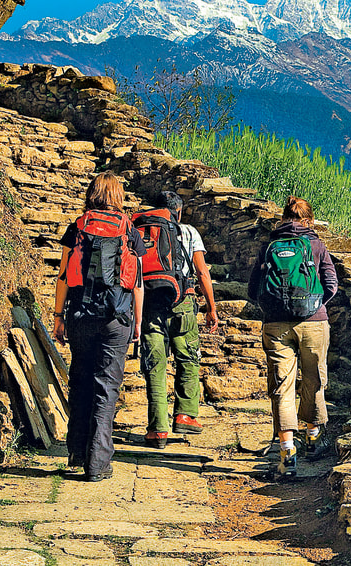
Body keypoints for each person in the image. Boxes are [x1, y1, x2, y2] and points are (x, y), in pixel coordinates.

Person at [53, 172, 145, 482]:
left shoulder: (78, 226)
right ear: (118, 196)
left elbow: (63, 276)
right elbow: (137, 284)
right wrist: (137, 322)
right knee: (107, 388)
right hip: (116, 318)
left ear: (92, 194)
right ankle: (98, 463)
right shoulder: (129, 230)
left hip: (81, 314)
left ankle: (77, 455)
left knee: (80, 382)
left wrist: (58, 316)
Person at [248, 196, 338, 479]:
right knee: (314, 379)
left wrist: (273, 309)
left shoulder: (269, 246)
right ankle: (313, 438)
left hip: (276, 325)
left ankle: (287, 453)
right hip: (313, 323)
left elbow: (253, 289)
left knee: (282, 386)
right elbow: (331, 284)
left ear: (283, 217)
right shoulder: (317, 245)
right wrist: (314, 307)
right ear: (308, 220)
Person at [140, 191, 219, 449]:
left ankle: (157, 429)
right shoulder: (188, 231)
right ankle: (185, 415)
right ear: (179, 212)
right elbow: (202, 271)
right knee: (187, 357)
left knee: (155, 363)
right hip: (182, 301)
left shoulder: (143, 231)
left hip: (150, 301)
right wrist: (211, 308)